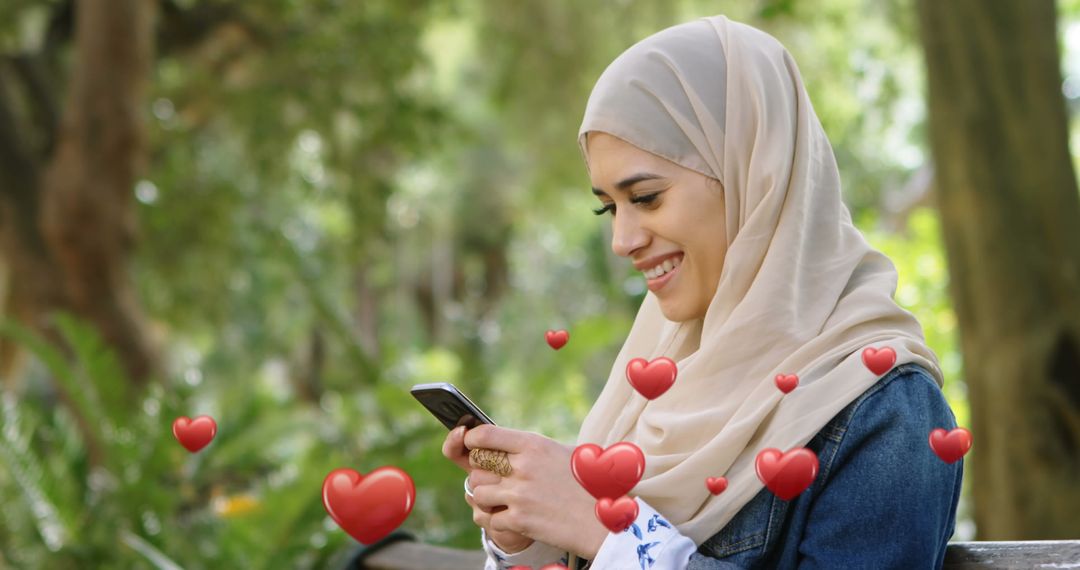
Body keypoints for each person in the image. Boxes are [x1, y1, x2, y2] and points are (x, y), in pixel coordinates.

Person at [442, 14, 962, 569]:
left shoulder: (886, 411)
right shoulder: (658, 382)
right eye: (608, 206)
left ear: (752, 177)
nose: (622, 239)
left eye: (644, 197)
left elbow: (619, 546)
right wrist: (531, 536)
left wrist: (608, 531)